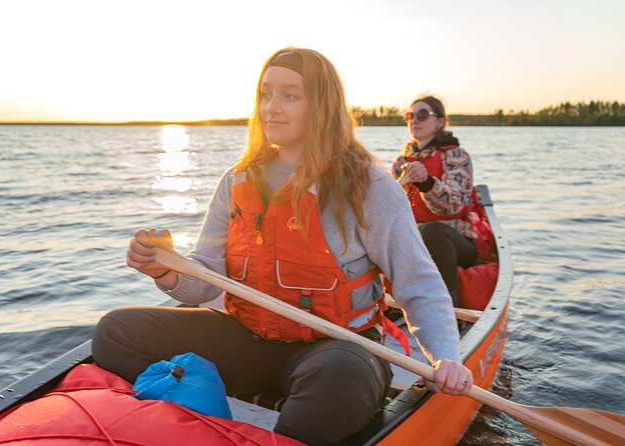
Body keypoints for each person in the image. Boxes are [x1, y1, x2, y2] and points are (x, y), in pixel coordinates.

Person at [92, 49, 473, 445]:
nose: (271, 108)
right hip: (249, 339)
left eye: (291, 95)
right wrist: (168, 272)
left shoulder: (371, 187)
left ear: (322, 106)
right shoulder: (236, 181)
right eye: (265, 94)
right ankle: (212, 414)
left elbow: (420, 285)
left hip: (337, 349)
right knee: (115, 332)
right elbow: (205, 279)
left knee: (339, 378)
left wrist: (446, 357)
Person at [391, 95, 477, 308]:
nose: (414, 120)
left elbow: (453, 206)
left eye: (421, 114)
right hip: (415, 242)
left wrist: (427, 183)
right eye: (410, 115)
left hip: (454, 242)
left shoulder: (457, 156)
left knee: (432, 231)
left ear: (440, 121)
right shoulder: (401, 162)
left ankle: (450, 306)